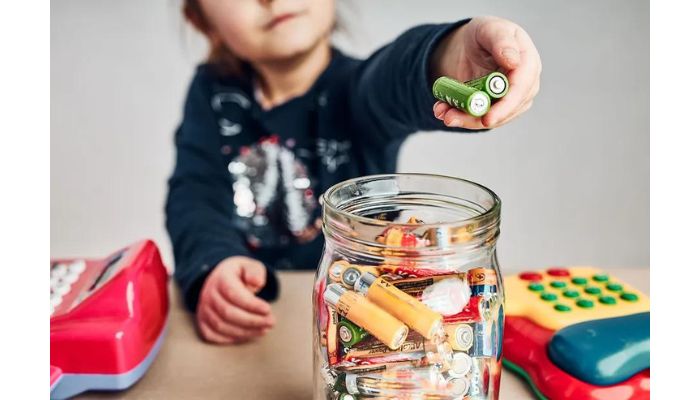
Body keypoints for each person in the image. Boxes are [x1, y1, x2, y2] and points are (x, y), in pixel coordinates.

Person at [166, 0, 541, 344]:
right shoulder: (211, 96)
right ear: (201, 19)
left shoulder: (357, 90)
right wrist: (214, 263)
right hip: (261, 327)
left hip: (373, 322)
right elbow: (193, 195)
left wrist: (450, 53)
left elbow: (397, 75)